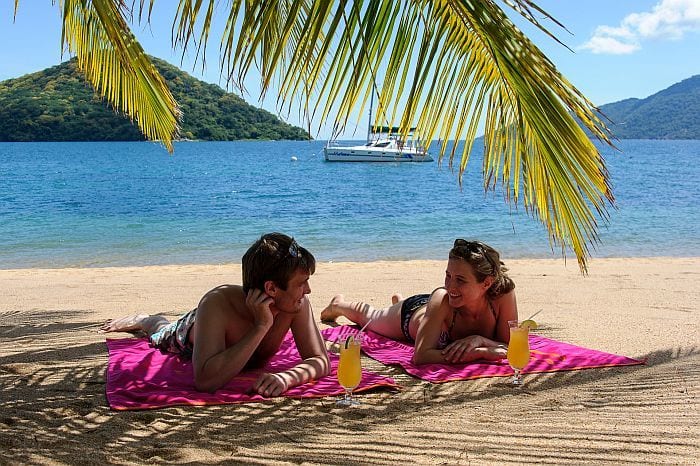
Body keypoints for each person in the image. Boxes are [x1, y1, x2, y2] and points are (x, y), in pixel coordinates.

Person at [99, 232, 330, 396]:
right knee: (160, 332)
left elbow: (321, 361)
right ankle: (146, 319)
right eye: (302, 283)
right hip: (188, 333)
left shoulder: (296, 304)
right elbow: (205, 381)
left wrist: (287, 378)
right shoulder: (217, 304)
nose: (308, 290)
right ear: (271, 288)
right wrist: (260, 326)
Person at [321, 239, 517, 365]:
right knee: (369, 318)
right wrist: (478, 353)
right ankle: (337, 305)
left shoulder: (503, 295)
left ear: (487, 283)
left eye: (461, 280)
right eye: (448, 275)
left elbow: (511, 344)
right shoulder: (444, 297)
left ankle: (397, 301)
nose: (450, 285)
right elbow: (421, 356)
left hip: (430, 313)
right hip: (411, 315)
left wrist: (479, 339)